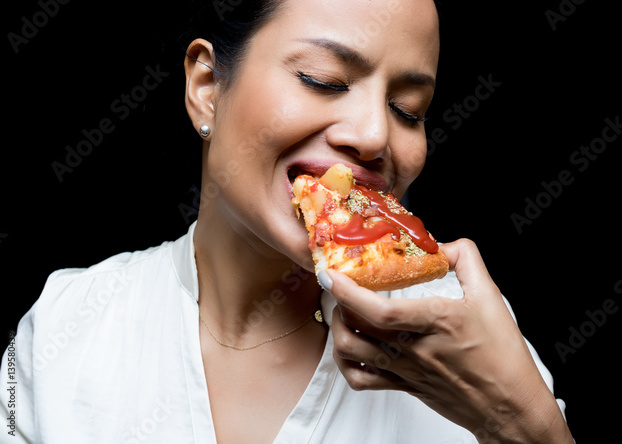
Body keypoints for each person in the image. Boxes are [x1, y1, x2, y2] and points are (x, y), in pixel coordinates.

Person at [2, 0, 574, 442]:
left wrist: (521, 421)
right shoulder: (62, 325)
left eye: (409, 111)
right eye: (323, 80)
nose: (374, 136)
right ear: (206, 87)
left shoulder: (476, 342)